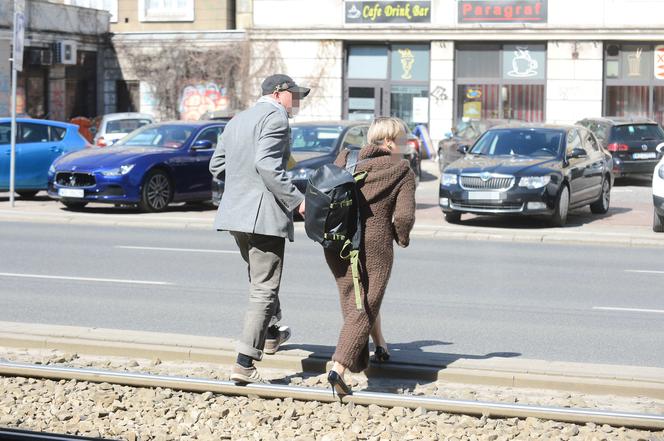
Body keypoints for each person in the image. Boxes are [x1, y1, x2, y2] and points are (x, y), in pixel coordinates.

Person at [209, 74, 309, 383]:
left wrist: (243, 185)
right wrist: (297, 201)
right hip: (263, 215)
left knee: (259, 280)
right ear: (279, 93)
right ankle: (244, 363)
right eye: (295, 94)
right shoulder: (276, 118)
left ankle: (270, 334)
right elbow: (267, 165)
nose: (298, 100)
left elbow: (217, 166)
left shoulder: (238, 120)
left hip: (236, 215)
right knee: (264, 287)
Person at [325, 117, 416, 396]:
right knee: (364, 304)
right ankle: (338, 367)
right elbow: (404, 216)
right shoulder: (400, 169)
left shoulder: (346, 157)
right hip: (374, 245)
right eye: (401, 140)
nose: (405, 146)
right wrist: (401, 238)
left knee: (357, 298)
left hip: (337, 241)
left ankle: (373, 351)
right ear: (388, 142)